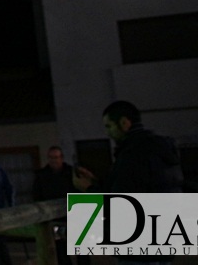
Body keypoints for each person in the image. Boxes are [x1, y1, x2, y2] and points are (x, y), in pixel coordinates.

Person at [72, 100, 183, 265]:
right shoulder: (157, 149)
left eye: (109, 126)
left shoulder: (133, 154)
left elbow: (122, 202)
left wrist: (88, 189)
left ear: (124, 123)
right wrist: (96, 182)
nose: (107, 133)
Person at [33, 146, 90, 265]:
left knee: (81, 249)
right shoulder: (42, 175)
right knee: (61, 250)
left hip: (75, 216)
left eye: (56, 157)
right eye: (51, 157)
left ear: (61, 158)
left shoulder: (71, 173)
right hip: (55, 218)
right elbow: (37, 195)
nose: (54, 160)